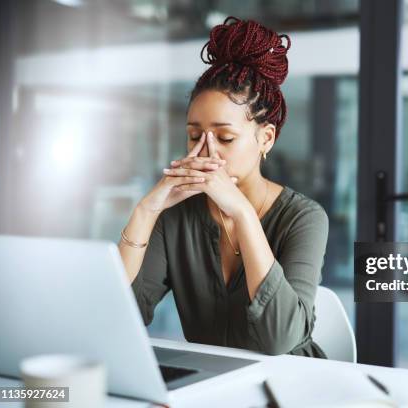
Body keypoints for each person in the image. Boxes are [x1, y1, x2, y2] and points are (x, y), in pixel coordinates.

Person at [117, 16, 329, 358]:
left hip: (291, 383)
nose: (205, 151)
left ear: (266, 139)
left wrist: (243, 213)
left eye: (225, 137)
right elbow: (122, 315)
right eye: (193, 135)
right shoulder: (176, 217)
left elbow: (281, 340)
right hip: (212, 384)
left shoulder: (304, 217)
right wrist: (145, 211)